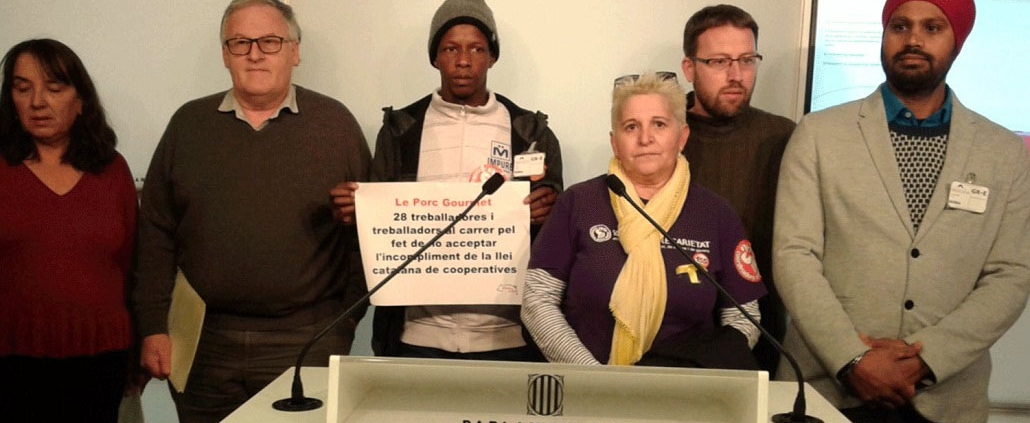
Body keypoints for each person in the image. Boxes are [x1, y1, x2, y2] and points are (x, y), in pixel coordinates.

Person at [774, 1, 1030, 422]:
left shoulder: (1003, 152)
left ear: (958, 43)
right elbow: (794, 256)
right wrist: (853, 358)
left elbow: (1011, 275)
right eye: (900, 26)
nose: (913, 39)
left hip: (946, 400)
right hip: (825, 395)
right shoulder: (818, 135)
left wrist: (926, 361)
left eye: (932, 28)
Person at [132, 1, 371, 421]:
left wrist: (341, 328)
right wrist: (154, 325)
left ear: (294, 51)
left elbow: (366, 235)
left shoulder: (336, 126)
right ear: (225, 54)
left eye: (270, 41)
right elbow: (156, 234)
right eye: (240, 42)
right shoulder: (188, 126)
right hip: (202, 343)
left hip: (305, 342)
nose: (255, 54)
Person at [330, 0, 563, 361]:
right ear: (435, 57)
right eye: (451, 48)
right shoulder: (400, 130)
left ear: (492, 57)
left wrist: (549, 209)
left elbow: (558, 234)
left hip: (507, 338)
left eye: (477, 49)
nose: (464, 60)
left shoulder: (532, 132)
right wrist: (358, 210)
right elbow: (379, 227)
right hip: (416, 335)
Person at [521, 73, 766, 368]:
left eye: (659, 124)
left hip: (686, 396)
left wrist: (693, 373)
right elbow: (537, 300)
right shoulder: (579, 203)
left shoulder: (716, 214)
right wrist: (594, 377)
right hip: (587, 389)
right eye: (631, 127)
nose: (645, 138)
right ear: (615, 142)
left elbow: (744, 318)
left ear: (682, 137)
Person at [0, 38, 142, 422]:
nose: (37, 102)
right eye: (22, 88)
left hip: (102, 359)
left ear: (81, 101)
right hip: (12, 360)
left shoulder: (112, 170)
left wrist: (139, 352)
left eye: (54, 88)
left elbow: (133, 267)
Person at [679, 4, 796, 374]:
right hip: (671, 324)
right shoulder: (660, 133)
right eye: (719, 62)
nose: (736, 75)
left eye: (747, 60)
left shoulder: (783, 137)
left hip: (759, 327)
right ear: (689, 68)